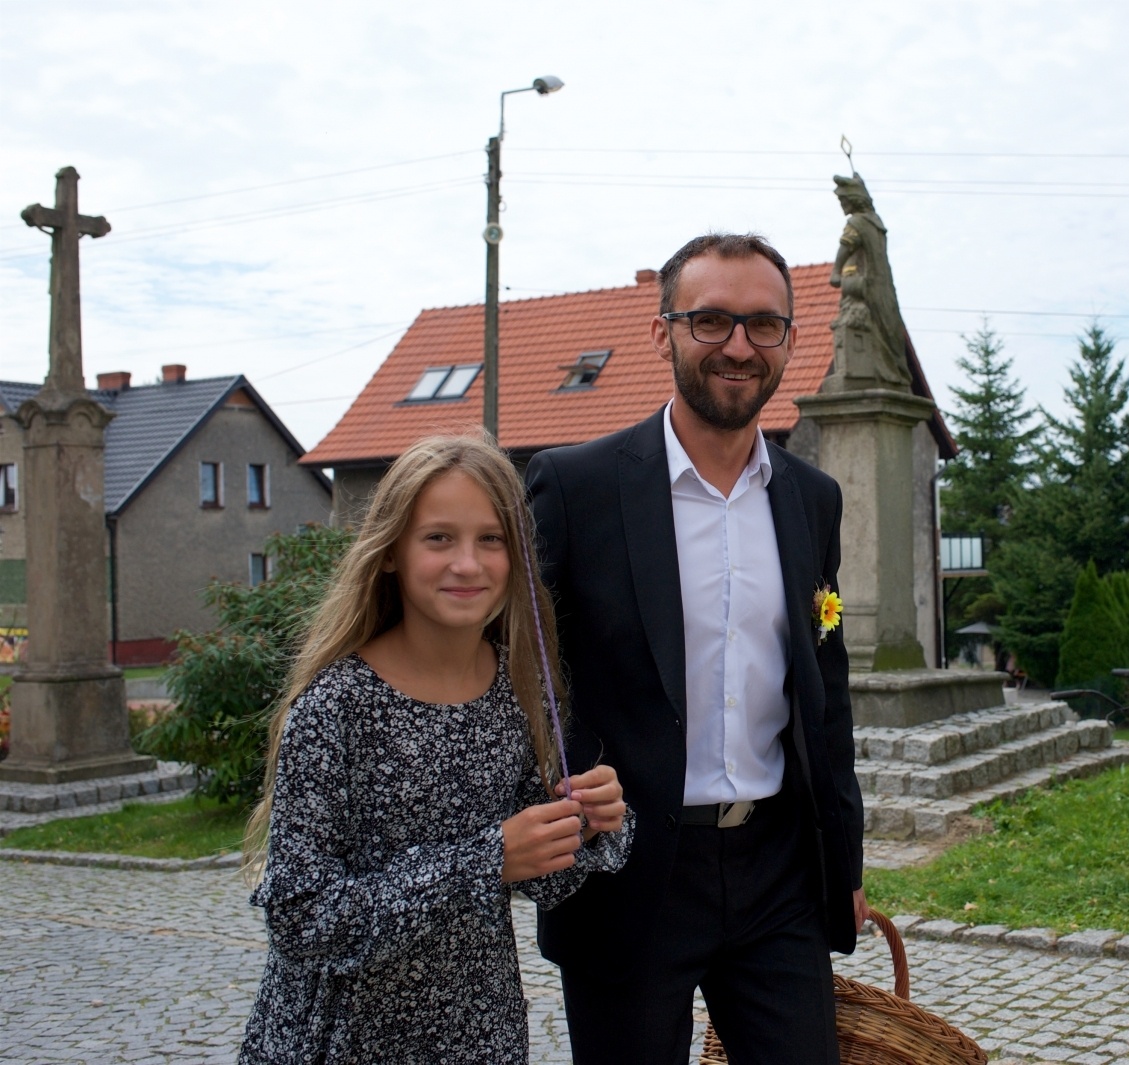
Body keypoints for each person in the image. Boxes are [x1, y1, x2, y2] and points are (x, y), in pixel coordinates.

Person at [527, 232, 866, 1064]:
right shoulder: (575, 486)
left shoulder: (812, 499)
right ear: (662, 332)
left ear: (789, 340)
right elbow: (532, 674)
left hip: (778, 871)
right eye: (711, 320)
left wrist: (845, 864)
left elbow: (824, 691)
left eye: (763, 324)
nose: (739, 346)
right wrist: (558, 791)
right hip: (628, 870)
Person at [237, 436, 632, 1065]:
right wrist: (486, 861)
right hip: (342, 1044)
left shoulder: (517, 688)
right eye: (439, 538)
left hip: (480, 1037)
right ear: (391, 551)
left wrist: (589, 823)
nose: (467, 564)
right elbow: (300, 917)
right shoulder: (336, 707)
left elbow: (543, 878)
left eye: (491, 539)